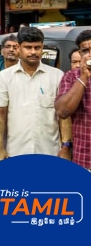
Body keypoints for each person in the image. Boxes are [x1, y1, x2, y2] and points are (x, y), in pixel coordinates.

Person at [0, 27, 72, 161]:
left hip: (50, 152)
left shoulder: (57, 76)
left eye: (37, 47)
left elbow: (63, 116)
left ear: (43, 48)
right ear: (19, 48)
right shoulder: (4, 77)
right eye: (28, 47)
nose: (33, 52)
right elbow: (0, 116)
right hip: (16, 152)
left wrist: (65, 147)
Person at [55, 30, 91, 171]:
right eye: (85, 51)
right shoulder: (71, 76)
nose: (89, 54)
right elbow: (63, 111)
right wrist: (83, 78)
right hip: (85, 159)